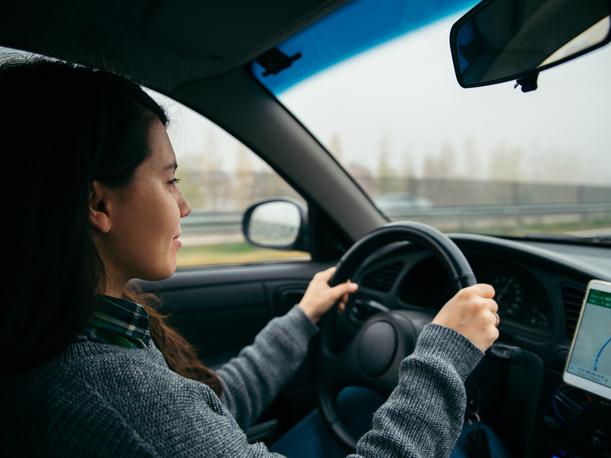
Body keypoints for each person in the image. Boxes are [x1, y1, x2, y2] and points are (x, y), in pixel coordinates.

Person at [0, 58, 504, 457]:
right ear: (98, 204)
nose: (184, 205)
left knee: (353, 404)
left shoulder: (76, 338)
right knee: (477, 441)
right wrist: (442, 355)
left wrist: (303, 317)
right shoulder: (110, 389)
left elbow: (209, 411)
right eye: (170, 179)